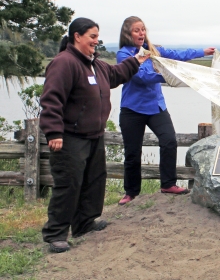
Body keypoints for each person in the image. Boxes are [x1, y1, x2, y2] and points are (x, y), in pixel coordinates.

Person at [39, 17, 150, 253]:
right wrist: (54, 132)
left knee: (94, 181)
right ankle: (56, 234)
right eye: (92, 36)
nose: (96, 41)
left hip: (94, 135)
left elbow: (116, 74)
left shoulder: (96, 64)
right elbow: (51, 100)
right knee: (69, 185)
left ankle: (84, 223)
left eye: (97, 37)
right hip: (69, 137)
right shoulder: (64, 63)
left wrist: (138, 59)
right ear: (77, 37)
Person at [116, 16, 215, 205]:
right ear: (127, 33)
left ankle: (168, 183)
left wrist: (202, 52)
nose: (141, 33)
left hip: (155, 106)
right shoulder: (124, 54)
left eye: (143, 29)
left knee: (169, 140)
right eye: (137, 30)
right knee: (132, 152)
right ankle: (131, 192)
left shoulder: (154, 50)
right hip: (132, 109)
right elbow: (142, 77)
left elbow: (177, 55)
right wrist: (167, 76)